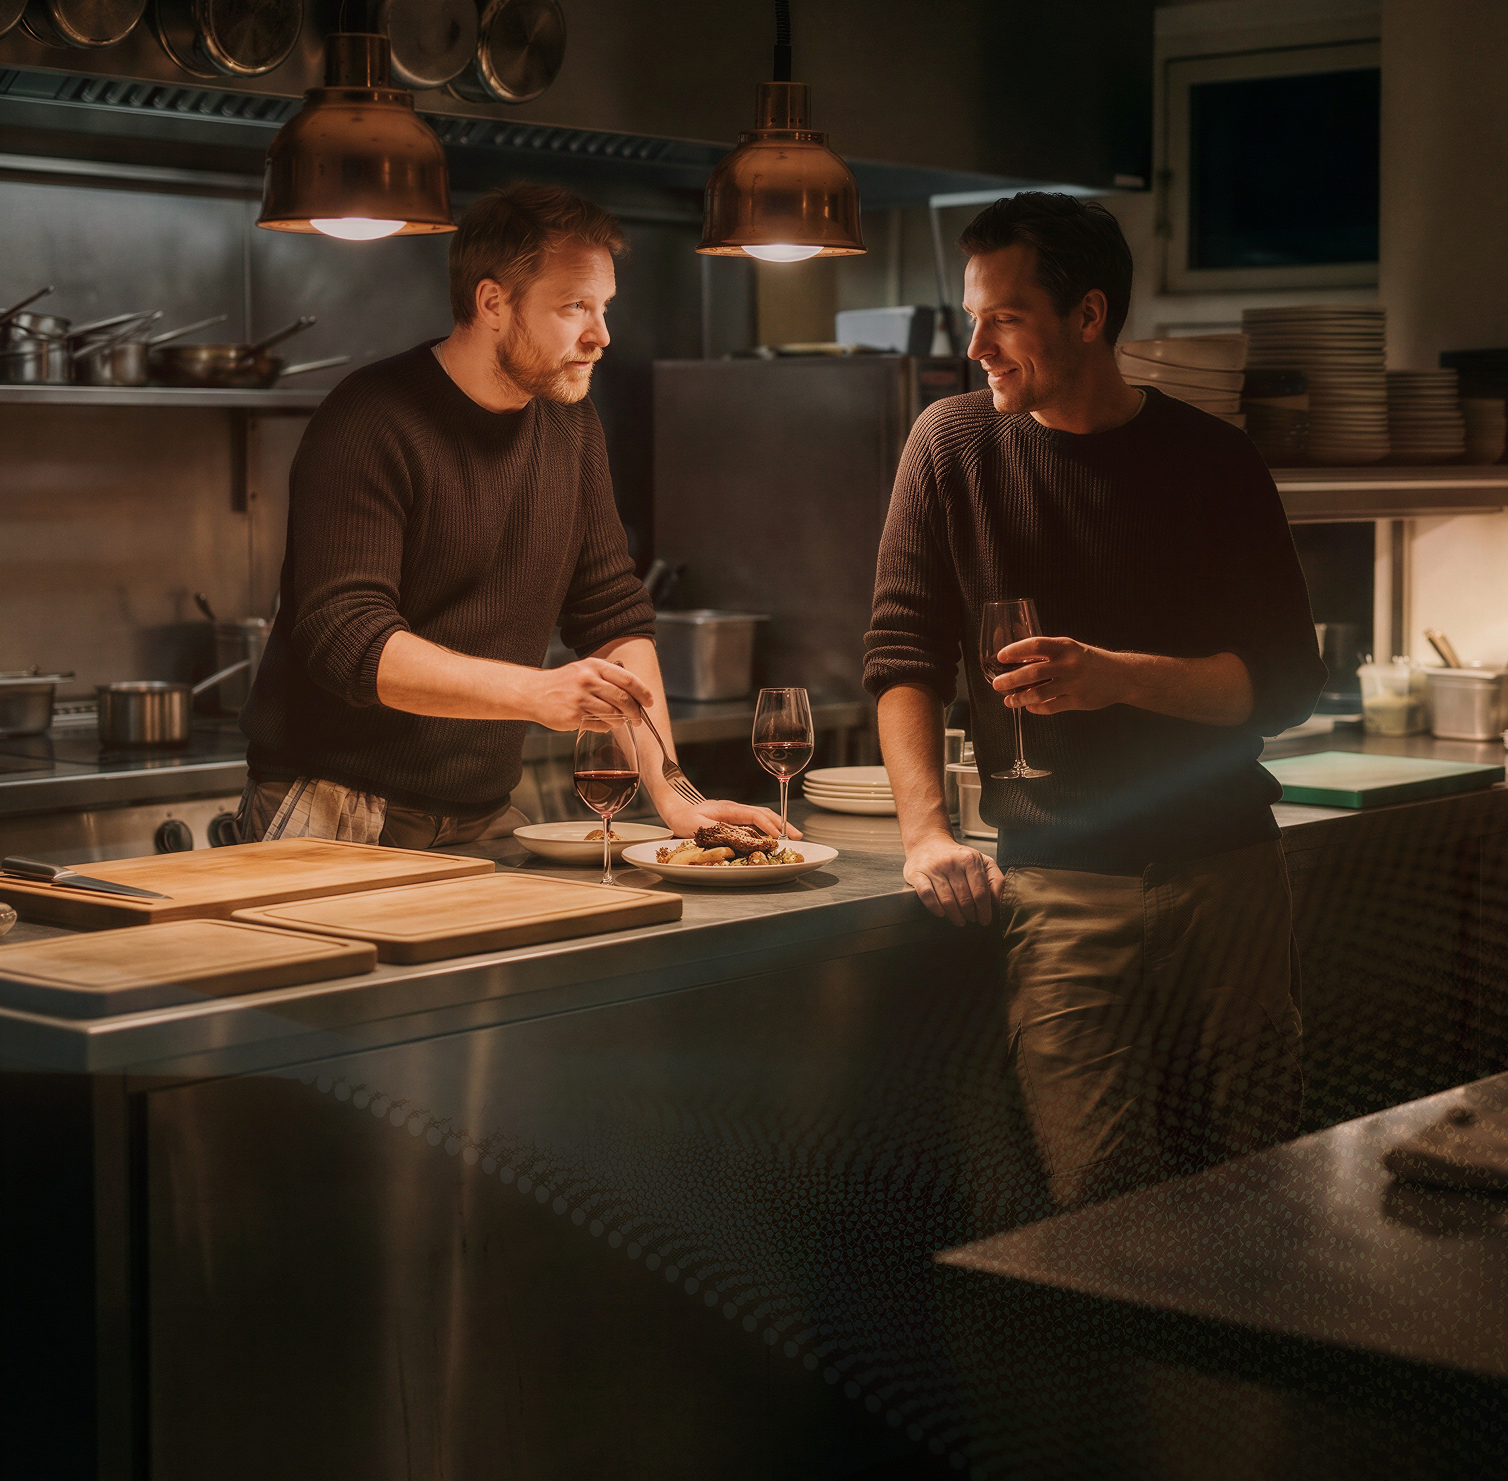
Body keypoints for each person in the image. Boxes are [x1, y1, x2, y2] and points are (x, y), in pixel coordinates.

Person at [865, 193, 1325, 1209]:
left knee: (1258, 1183)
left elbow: (1284, 681)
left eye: (1007, 316)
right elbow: (903, 657)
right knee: (1100, 1201)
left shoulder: (1214, 461)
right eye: (971, 313)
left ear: (1088, 316)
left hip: (1227, 873)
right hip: (1059, 886)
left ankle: (1249, 1376)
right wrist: (924, 833)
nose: (977, 343)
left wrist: (1119, 677)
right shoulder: (949, 449)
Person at [239, 182, 786, 852]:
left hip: (482, 809)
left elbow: (611, 617)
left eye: (605, 306)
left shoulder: (571, 423)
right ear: (493, 302)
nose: (601, 335)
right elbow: (347, 641)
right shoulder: (372, 418)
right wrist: (534, 693)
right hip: (337, 807)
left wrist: (674, 791)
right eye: (574, 307)